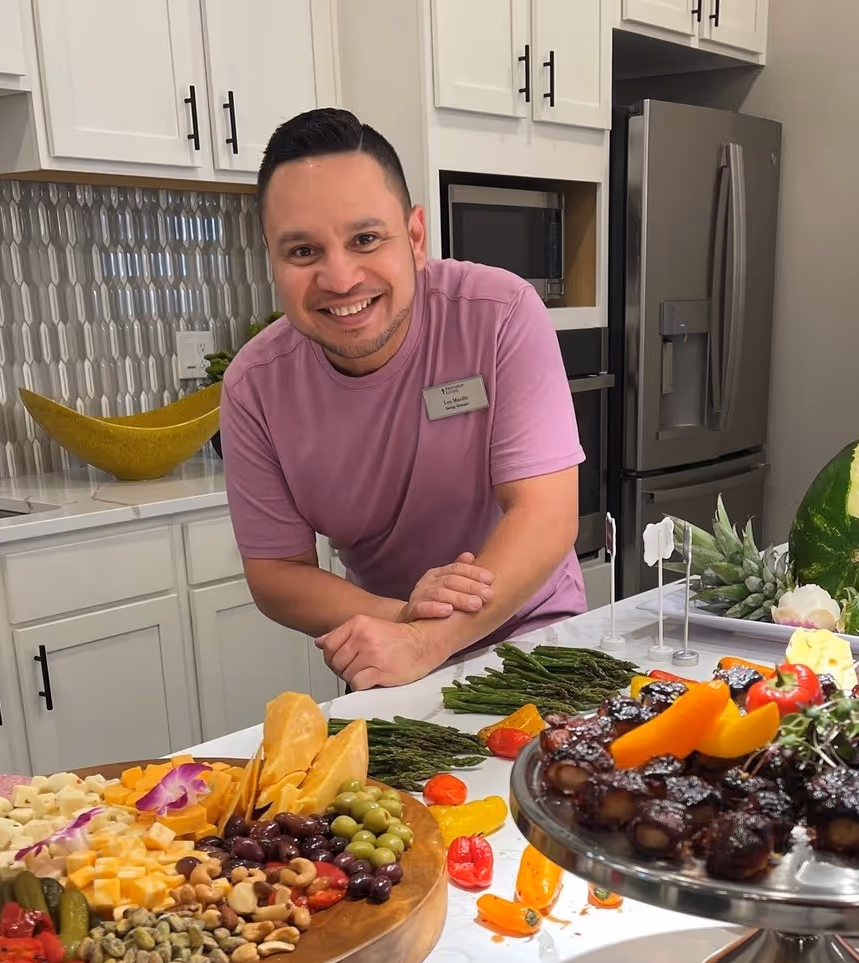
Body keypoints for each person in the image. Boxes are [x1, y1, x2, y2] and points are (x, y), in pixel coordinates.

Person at [219, 108, 587, 690]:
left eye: (365, 239)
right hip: (388, 655)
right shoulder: (252, 387)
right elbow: (276, 574)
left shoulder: (502, 313)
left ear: (415, 238)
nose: (340, 279)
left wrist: (430, 638)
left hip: (534, 635)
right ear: (272, 257)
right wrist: (404, 625)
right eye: (303, 252)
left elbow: (545, 514)